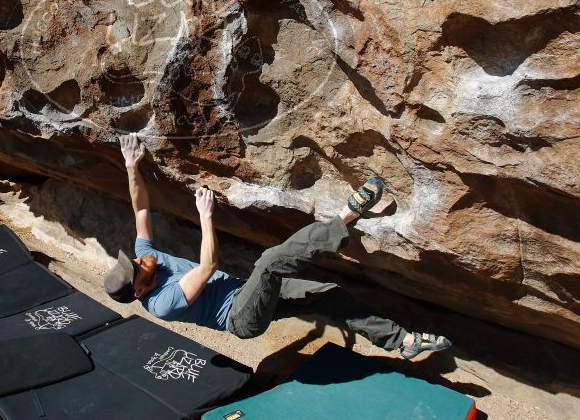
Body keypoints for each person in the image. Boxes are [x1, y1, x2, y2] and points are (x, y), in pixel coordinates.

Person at [104, 133, 451, 360]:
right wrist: (205, 215)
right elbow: (207, 267)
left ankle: (402, 341)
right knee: (270, 262)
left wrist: (131, 166)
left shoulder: (147, 258)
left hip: (248, 295)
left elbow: (142, 209)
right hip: (241, 318)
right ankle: (347, 215)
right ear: (138, 291)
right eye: (135, 269)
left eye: (132, 260)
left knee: (328, 293)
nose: (138, 260)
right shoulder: (161, 304)